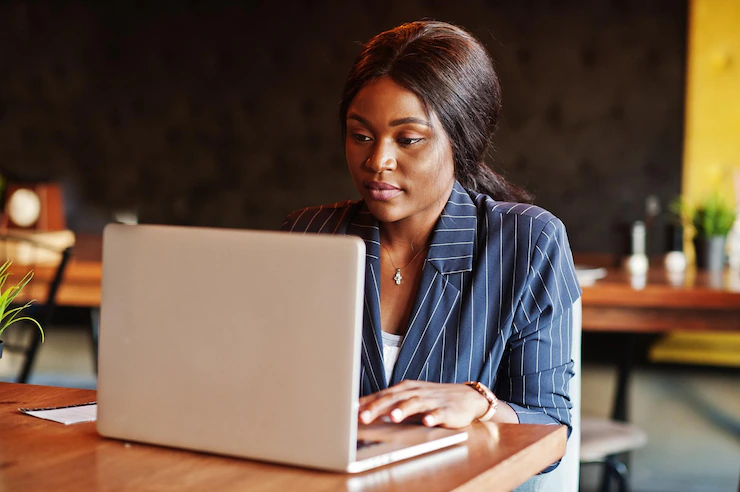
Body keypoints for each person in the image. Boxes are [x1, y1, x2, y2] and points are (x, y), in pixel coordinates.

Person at [282, 20, 581, 481]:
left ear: (461, 141)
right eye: (360, 135)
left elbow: (551, 428)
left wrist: (481, 404)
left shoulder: (525, 241)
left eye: (408, 140)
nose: (377, 160)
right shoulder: (308, 235)